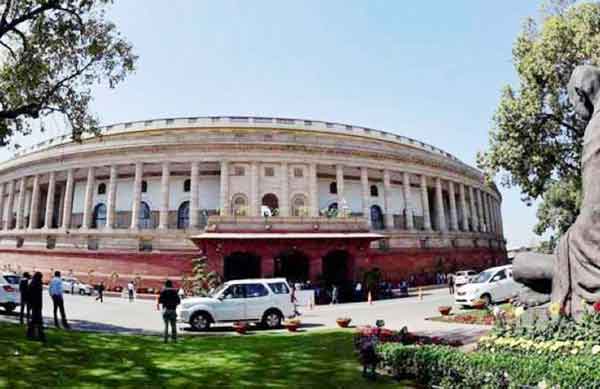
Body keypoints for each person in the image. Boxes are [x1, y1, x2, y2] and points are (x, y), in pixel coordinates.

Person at [26, 272, 45, 342]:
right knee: (37, 321)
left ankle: (32, 335)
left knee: (35, 320)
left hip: (35, 304)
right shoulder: (36, 284)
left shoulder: (34, 283)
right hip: (36, 304)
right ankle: (40, 336)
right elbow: (32, 295)